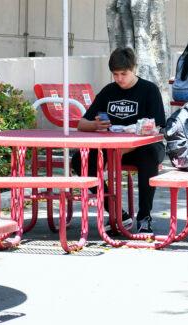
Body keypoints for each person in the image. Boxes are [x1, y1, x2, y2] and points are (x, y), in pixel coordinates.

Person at [71, 47, 166, 234]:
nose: (120, 78)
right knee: (79, 160)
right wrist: (95, 126)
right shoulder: (109, 91)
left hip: (143, 147)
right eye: (115, 74)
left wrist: (134, 136)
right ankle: (115, 212)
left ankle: (144, 216)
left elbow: (158, 126)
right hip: (111, 148)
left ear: (134, 69)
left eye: (124, 73)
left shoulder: (149, 90)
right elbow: (82, 123)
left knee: (149, 155)